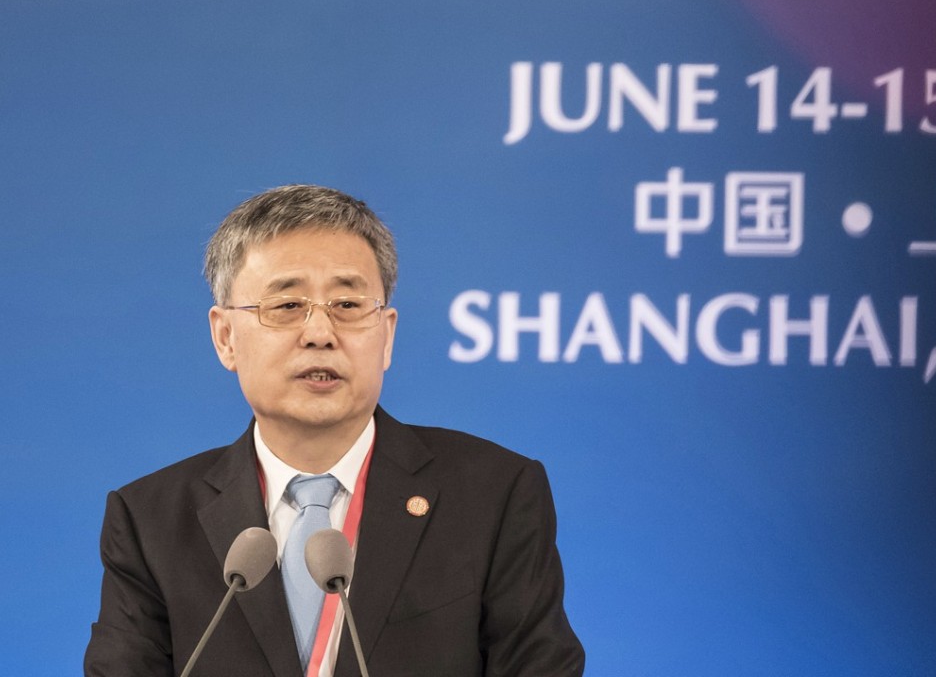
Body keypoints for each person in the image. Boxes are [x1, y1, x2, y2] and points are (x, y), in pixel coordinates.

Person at [84, 185, 585, 677]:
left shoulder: (493, 494)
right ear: (225, 337)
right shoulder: (150, 522)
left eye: (347, 305)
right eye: (286, 306)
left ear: (386, 335)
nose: (320, 334)